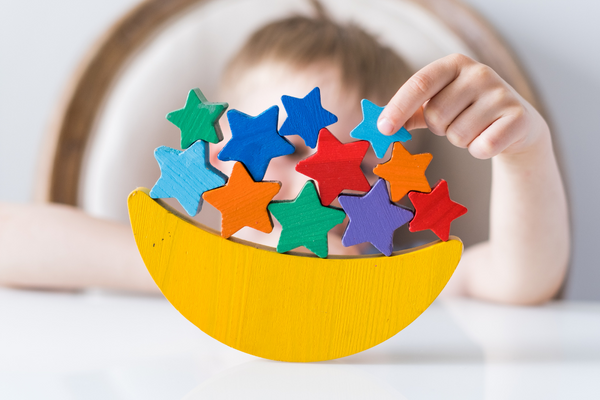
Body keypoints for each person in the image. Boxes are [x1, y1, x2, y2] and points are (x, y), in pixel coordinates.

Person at [0, 1, 569, 304]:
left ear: (397, 190)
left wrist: (524, 152)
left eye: (362, 166)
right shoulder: (179, 257)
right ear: (219, 152)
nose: (319, 186)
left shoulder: (393, 277)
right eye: (289, 146)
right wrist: (197, 272)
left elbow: (523, 281)